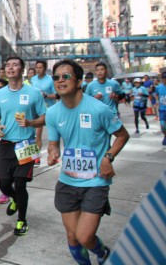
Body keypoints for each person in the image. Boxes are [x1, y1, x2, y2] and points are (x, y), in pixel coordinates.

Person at [46, 59, 129, 265]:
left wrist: (108, 158)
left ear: (79, 82)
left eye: (66, 76)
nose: (60, 80)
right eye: (56, 77)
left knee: (84, 237)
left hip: (95, 182)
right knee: (73, 237)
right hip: (67, 182)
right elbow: (53, 143)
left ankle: (102, 252)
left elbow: (122, 135)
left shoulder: (99, 109)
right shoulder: (52, 113)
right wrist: (53, 152)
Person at [0, 55, 46, 236]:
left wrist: (31, 123)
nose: (10, 68)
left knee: (21, 184)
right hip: (5, 144)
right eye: (8, 65)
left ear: (22, 70)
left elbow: (44, 117)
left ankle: (22, 220)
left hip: (26, 145)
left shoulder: (34, 93)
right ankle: (15, 199)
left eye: (15, 65)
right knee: (3, 184)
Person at [30, 60, 59, 167]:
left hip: (48, 110)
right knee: (35, 135)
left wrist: (46, 95)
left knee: (48, 135)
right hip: (35, 110)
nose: (38, 70)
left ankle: (54, 154)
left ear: (45, 68)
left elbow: (57, 95)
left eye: (40, 67)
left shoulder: (50, 80)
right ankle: (35, 158)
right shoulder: (33, 79)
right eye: (37, 67)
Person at [155, 72, 166, 145]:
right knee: (163, 126)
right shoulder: (158, 87)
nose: (164, 80)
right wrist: (156, 101)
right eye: (163, 78)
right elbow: (156, 94)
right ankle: (165, 135)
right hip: (162, 109)